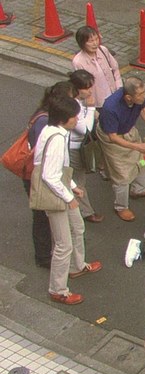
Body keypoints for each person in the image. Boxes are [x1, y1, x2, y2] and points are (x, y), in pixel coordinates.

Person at [34, 96, 103, 305]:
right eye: (74, 116)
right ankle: (58, 289)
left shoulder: (52, 131)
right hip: (55, 195)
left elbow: (58, 170)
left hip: (62, 189)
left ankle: (77, 265)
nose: (77, 119)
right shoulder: (57, 139)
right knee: (63, 244)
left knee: (77, 227)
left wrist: (73, 186)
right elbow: (50, 176)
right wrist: (69, 196)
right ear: (64, 119)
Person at [96, 77, 145, 222]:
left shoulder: (138, 98)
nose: (144, 96)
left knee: (144, 161)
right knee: (122, 176)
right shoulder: (110, 108)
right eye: (140, 94)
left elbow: (143, 107)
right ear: (128, 97)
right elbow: (113, 137)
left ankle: (139, 189)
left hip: (129, 131)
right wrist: (137, 146)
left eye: (144, 92)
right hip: (114, 139)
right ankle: (121, 207)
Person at [24, 81, 75, 268]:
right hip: (36, 176)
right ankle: (44, 256)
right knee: (42, 216)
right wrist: (69, 194)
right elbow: (48, 167)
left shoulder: (45, 117)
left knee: (44, 216)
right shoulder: (47, 123)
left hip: (38, 173)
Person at [67, 70, 102, 223]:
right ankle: (85, 212)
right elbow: (84, 129)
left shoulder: (78, 101)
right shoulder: (74, 105)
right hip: (75, 148)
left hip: (77, 145)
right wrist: (91, 108)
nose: (90, 91)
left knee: (78, 179)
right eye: (86, 88)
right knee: (78, 180)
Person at [71, 26, 122, 109]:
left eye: (96, 39)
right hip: (97, 102)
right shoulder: (78, 62)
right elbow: (82, 85)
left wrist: (119, 87)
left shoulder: (103, 50)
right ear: (82, 43)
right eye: (91, 41)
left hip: (114, 96)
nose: (95, 43)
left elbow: (115, 68)